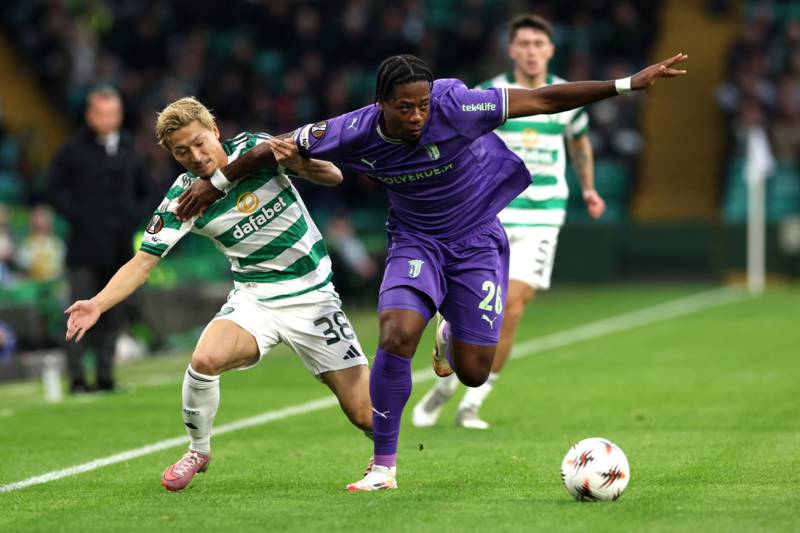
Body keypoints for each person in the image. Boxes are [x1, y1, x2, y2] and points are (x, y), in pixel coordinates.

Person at [174, 52, 688, 491]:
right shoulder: (352, 130)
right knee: (395, 333)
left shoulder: (456, 104)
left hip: (476, 241)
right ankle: (383, 466)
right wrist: (215, 183)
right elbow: (271, 147)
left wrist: (625, 84)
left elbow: (543, 100)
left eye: (423, 104)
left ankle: (450, 333)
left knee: (474, 371)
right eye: (405, 107)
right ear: (381, 104)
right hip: (415, 240)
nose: (418, 115)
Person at [64, 97, 372, 492]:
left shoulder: (255, 149)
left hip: (314, 297)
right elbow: (141, 264)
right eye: (182, 152)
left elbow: (334, 176)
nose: (195, 156)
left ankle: (383, 458)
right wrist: (96, 303)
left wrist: (299, 163)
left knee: (364, 414)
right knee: (204, 359)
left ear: (215, 131)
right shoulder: (183, 199)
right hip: (256, 298)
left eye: (199, 143)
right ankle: (198, 450)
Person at [412, 14, 606, 430]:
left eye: (539, 43)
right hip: (491, 211)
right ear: (512, 50)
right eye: (525, 44)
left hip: (543, 217)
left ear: (551, 50)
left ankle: (471, 402)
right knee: (480, 307)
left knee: (511, 309)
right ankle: (445, 384)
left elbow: (579, 142)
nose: (532, 51)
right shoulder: (490, 94)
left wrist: (589, 188)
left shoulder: (563, 98)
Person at [47, 86, 156, 393]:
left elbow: (150, 192)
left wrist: (134, 217)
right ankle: (77, 378)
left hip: (120, 249)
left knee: (114, 314)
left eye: (113, 113)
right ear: (90, 115)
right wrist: (78, 216)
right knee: (77, 311)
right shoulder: (72, 150)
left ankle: (106, 375)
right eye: (103, 113)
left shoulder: (130, 149)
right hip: (83, 249)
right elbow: (52, 189)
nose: (109, 119)